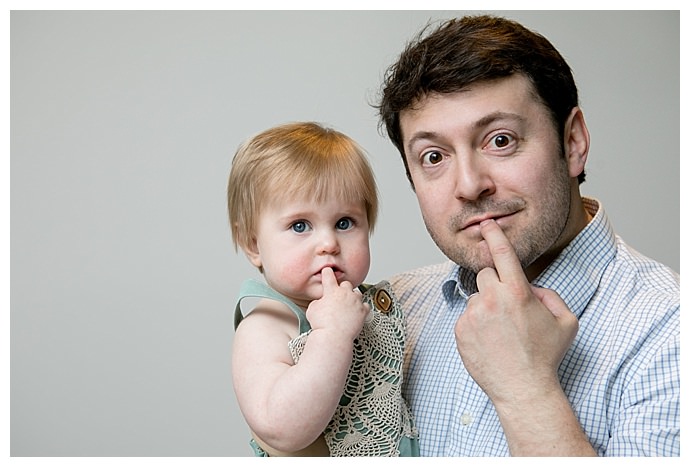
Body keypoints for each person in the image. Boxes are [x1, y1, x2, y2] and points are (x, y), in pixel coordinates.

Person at [376, 14, 679, 456]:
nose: (468, 185)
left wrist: (525, 389)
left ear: (573, 142)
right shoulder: (391, 314)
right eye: (434, 156)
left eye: (500, 140)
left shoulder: (670, 333)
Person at [227, 122, 419, 456]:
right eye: (300, 226)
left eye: (345, 223)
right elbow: (280, 428)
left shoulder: (375, 305)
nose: (329, 243)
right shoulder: (267, 325)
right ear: (253, 244)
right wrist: (331, 334)